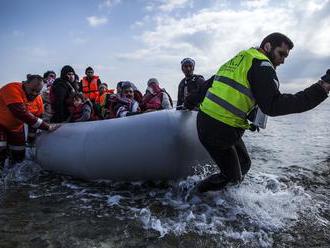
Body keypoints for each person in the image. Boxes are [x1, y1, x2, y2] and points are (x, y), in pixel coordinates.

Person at [196, 32, 330, 193]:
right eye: (281, 54)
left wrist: (189, 102)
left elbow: (210, 83)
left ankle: (224, 194)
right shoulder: (262, 65)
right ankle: (195, 196)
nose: (283, 60)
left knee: (245, 164)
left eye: (286, 56)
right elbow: (273, 106)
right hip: (218, 128)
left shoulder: (241, 58)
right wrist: (321, 88)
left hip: (214, 123)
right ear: (267, 46)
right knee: (232, 177)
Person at [0, 75, 59, 169]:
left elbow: (35, 121)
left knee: (19, 156)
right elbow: (20, 113)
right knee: (1, 148)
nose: (34, 93)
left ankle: (13, 179)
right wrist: (47, 127)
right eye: (32, 90)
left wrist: (31, 139)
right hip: (1, 124)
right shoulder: (12, 88)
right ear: (25, 84)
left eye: (38, 91)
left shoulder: (38, 100)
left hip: (16, 128)